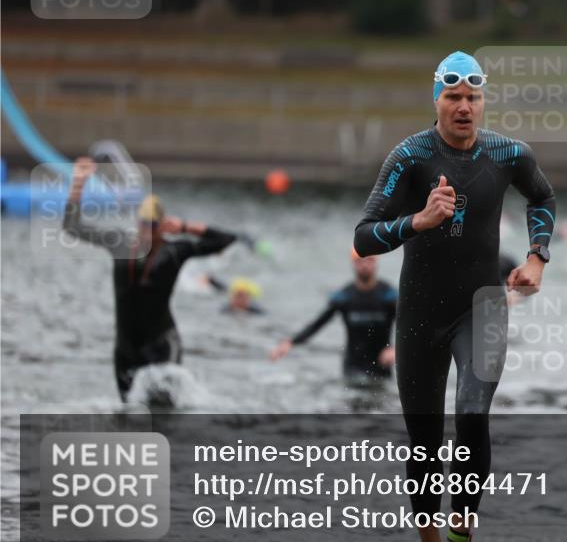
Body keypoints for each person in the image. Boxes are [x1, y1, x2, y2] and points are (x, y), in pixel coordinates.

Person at [353, 51, 556, 542]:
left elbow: (543, 197)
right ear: (437, 101)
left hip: (482, 307)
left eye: (472, 97)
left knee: (471, 412)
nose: (464, 107)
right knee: (424, 439)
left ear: (482, 101)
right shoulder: (410, 156)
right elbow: (363, 235)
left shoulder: (509, 153)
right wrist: (417, 221)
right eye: (453, 98)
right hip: (420, 313)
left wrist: (537, 257)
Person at [62, 157, 238, 402]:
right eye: (143, 224)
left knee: (165, 416)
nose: (146, 230)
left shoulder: (176, 251)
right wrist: (78, 184)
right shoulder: (120, 243)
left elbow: (226, 240)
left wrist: (187, 226)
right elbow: (72, 227)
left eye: (152, 225)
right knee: (129, 417)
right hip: (126, 347)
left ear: (162, 226)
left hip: (162, 345)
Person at [269, 248, 397, 385]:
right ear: (353, 264)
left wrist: (396, 350)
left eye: (370, 260)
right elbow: (318, 323)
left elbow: (409, 326)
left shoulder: (389, 296)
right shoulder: (344, 297)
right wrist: (291, 342)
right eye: (360, 261)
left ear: (376, 263)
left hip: (382, 366)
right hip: (353, 367)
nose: (365, 265)